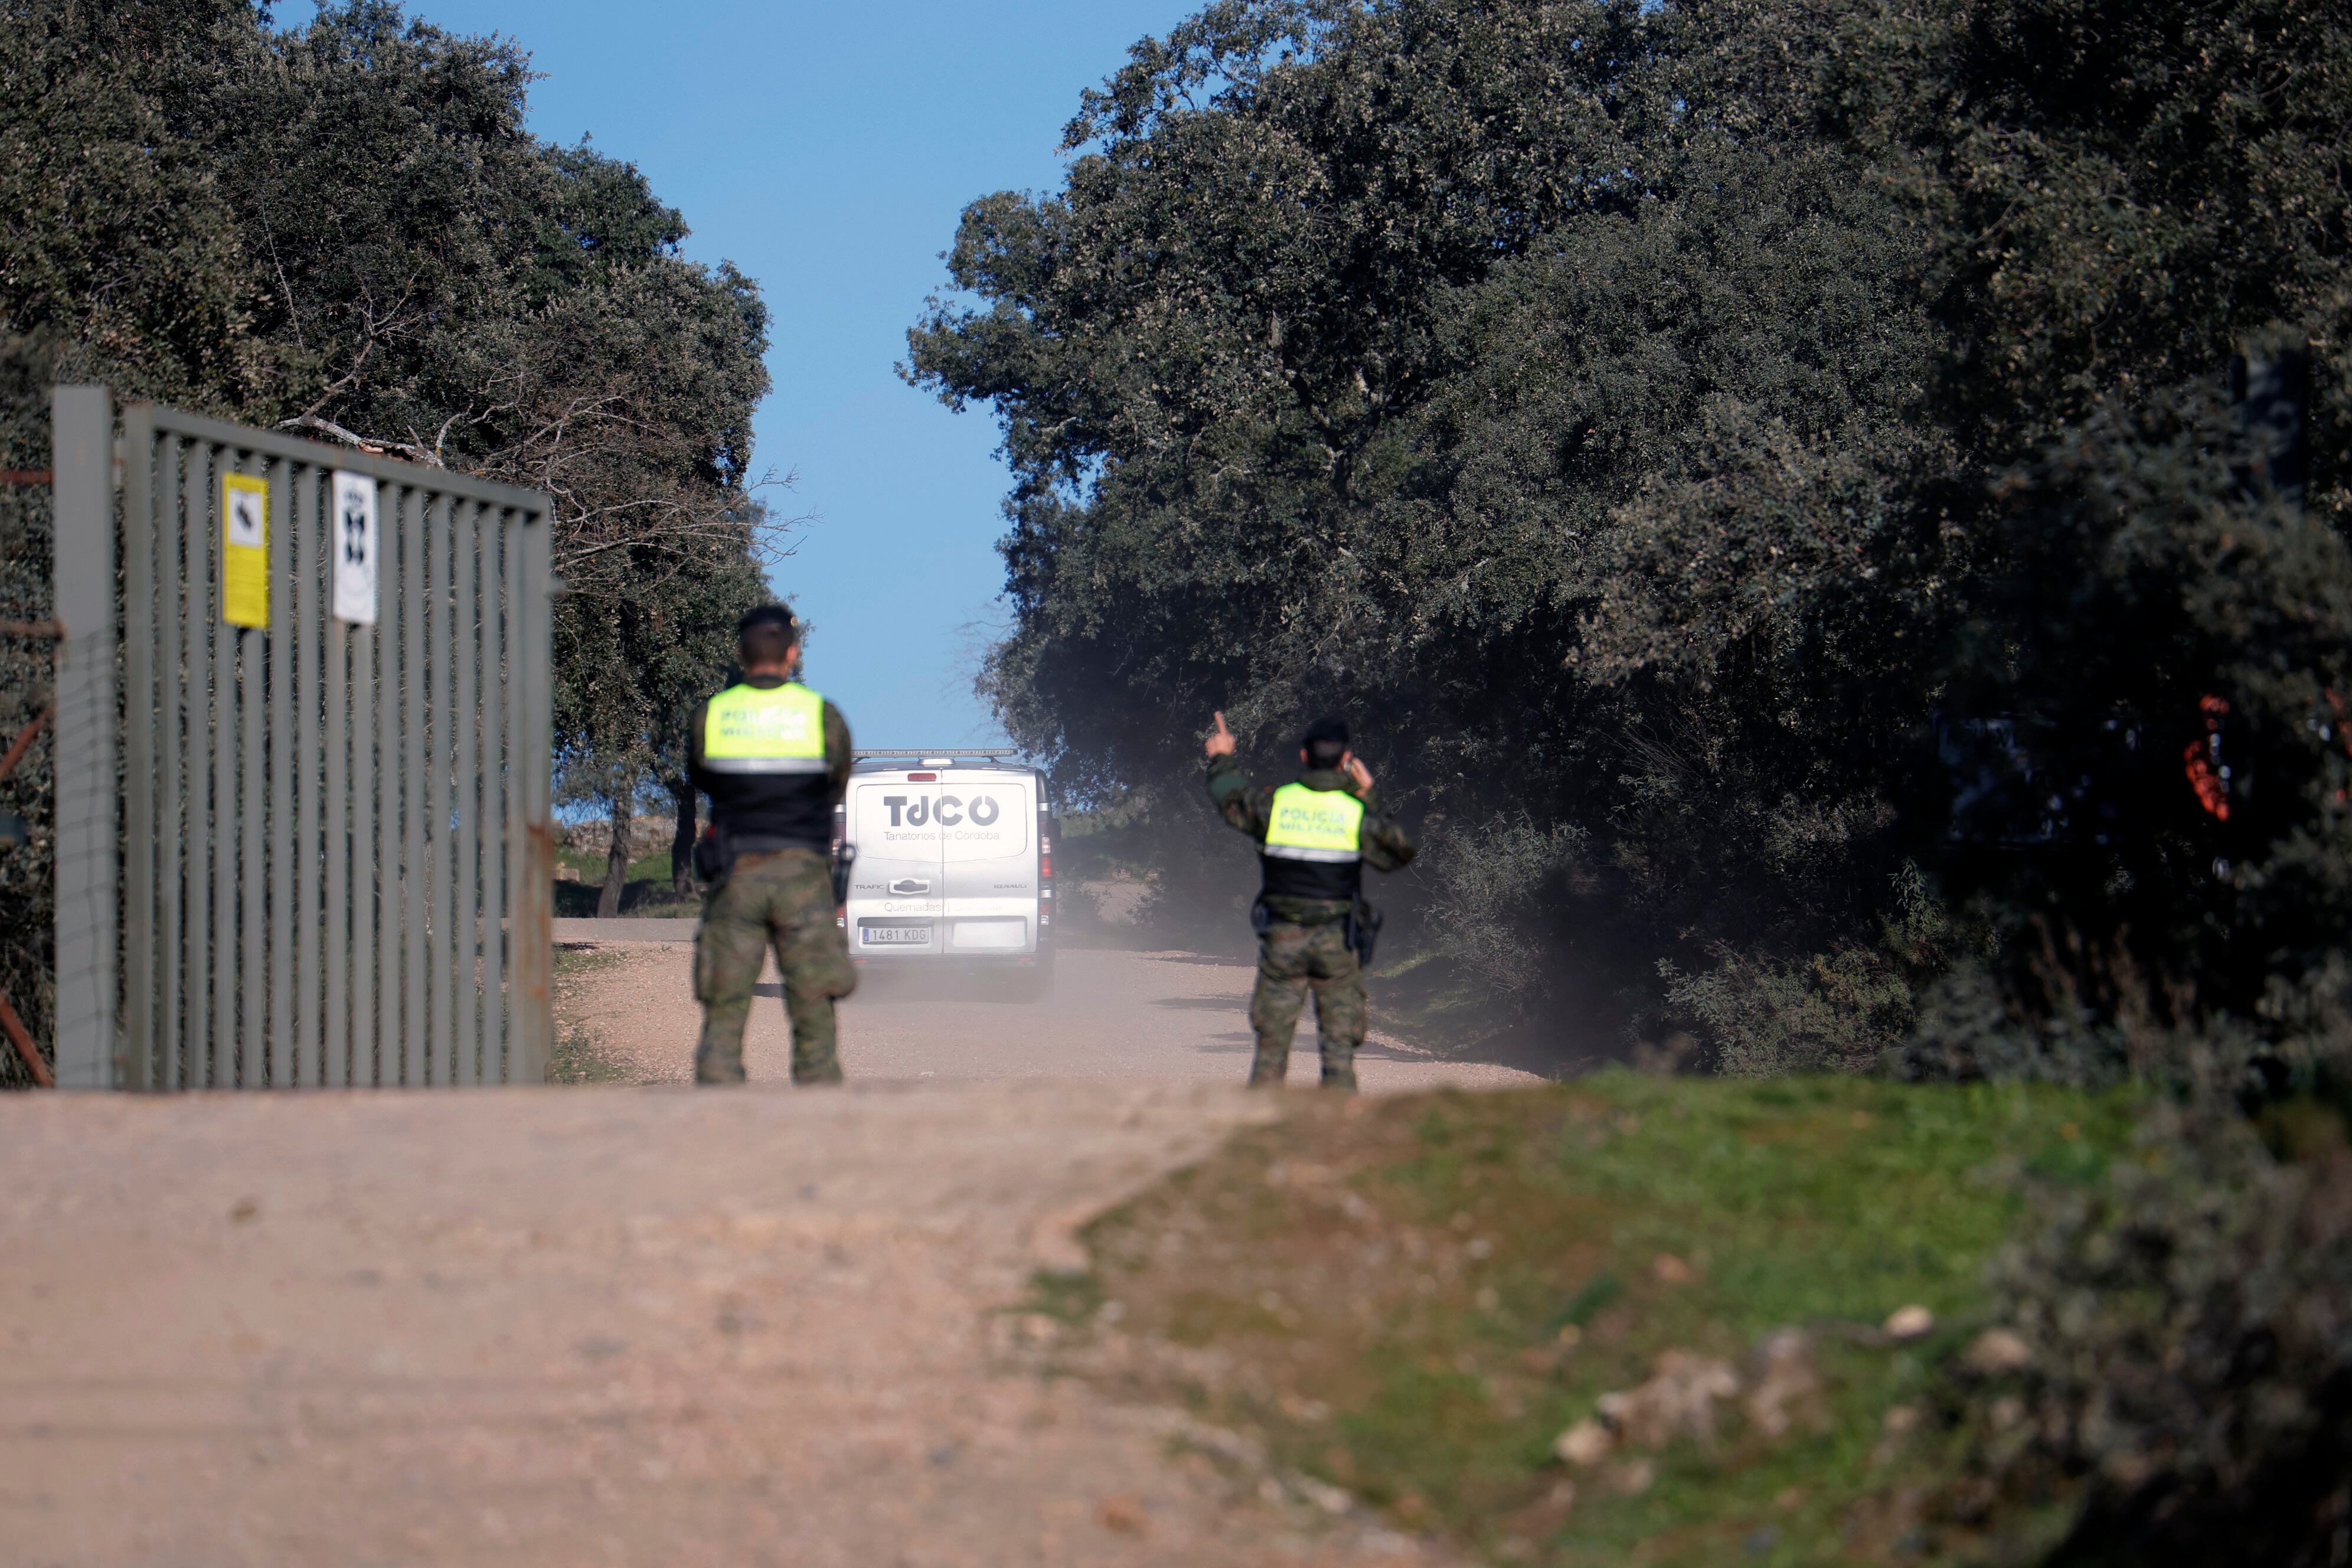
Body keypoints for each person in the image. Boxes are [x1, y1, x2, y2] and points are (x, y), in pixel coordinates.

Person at [686, 604, 857, 1084]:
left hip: (735, 874)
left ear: (741, 654)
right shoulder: (821, 716)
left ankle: (718, 1110)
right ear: (792, 654)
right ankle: (820, 1104)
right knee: (812, 997)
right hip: (803, 874)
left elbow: (701, 775)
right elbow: (837, 783)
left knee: (725, 999)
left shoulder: (713, 716)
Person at [1203, 712, 1416, 1090]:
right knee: (1338, 1048)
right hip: (1338, 944)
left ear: (1303, 756)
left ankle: (1261, 1132)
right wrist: (1369, 793)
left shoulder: (1276, 805)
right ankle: (1334, 1137)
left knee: (1271, 1047)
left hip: (1283, 940)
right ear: (1346, 760)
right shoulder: (1356, 814)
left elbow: (1230, 798)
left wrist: (1223, 756)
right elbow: (1400, 850)